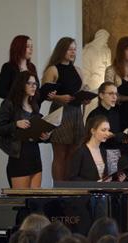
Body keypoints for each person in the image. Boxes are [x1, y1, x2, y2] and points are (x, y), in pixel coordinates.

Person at [41, 37, 88, 181]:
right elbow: (44, 94)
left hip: (75, 113)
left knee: (74, 154)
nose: (73, 52)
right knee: (60, 154)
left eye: (75, 49)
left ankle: (70, 187)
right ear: (62, 50)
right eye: (70, 49)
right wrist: (59, 98)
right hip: (60, 112)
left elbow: (80, 91)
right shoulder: (53, 69)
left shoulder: (78, 70)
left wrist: (85, 98)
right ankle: (59, 188)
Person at [0, 71, 49, 188]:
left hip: (35, 156)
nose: (33, 86)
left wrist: (45, 138)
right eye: (29, 83)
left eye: (35, 84)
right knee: (21, 200)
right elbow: (1, 128)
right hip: (19, 156)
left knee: (34, 200)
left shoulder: (34, 105)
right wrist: (16, 124)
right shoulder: (8, 104)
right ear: (21, 84)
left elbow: (35, 133)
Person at [67, 116, 121, 182]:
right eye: (103, 130)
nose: (107, 133)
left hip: (100, 191)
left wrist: (116, 179)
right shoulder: (80, 152)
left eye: (108, 130)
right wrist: (94, 183)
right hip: (85, 191)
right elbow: (72, 178)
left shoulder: (103, 151)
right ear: (93, 131)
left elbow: (104, 178)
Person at [86, 82, 124, 171]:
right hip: (99, 153)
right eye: (111, 94)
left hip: (117, 152)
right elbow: (88, 137)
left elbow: (121, 132)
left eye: (116, 94)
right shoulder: (94, 115)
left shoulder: (117, 113)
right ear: (101, 95)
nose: (115, 97)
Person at [0, 35, 38, 99]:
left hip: (29, 107)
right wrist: (20, 97)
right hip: (13, 108)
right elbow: (1, 92)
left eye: (31, 46)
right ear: (19, 47)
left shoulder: (32, 67)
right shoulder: (8, 67)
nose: (31, 49)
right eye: (27, 46)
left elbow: (37, 89)